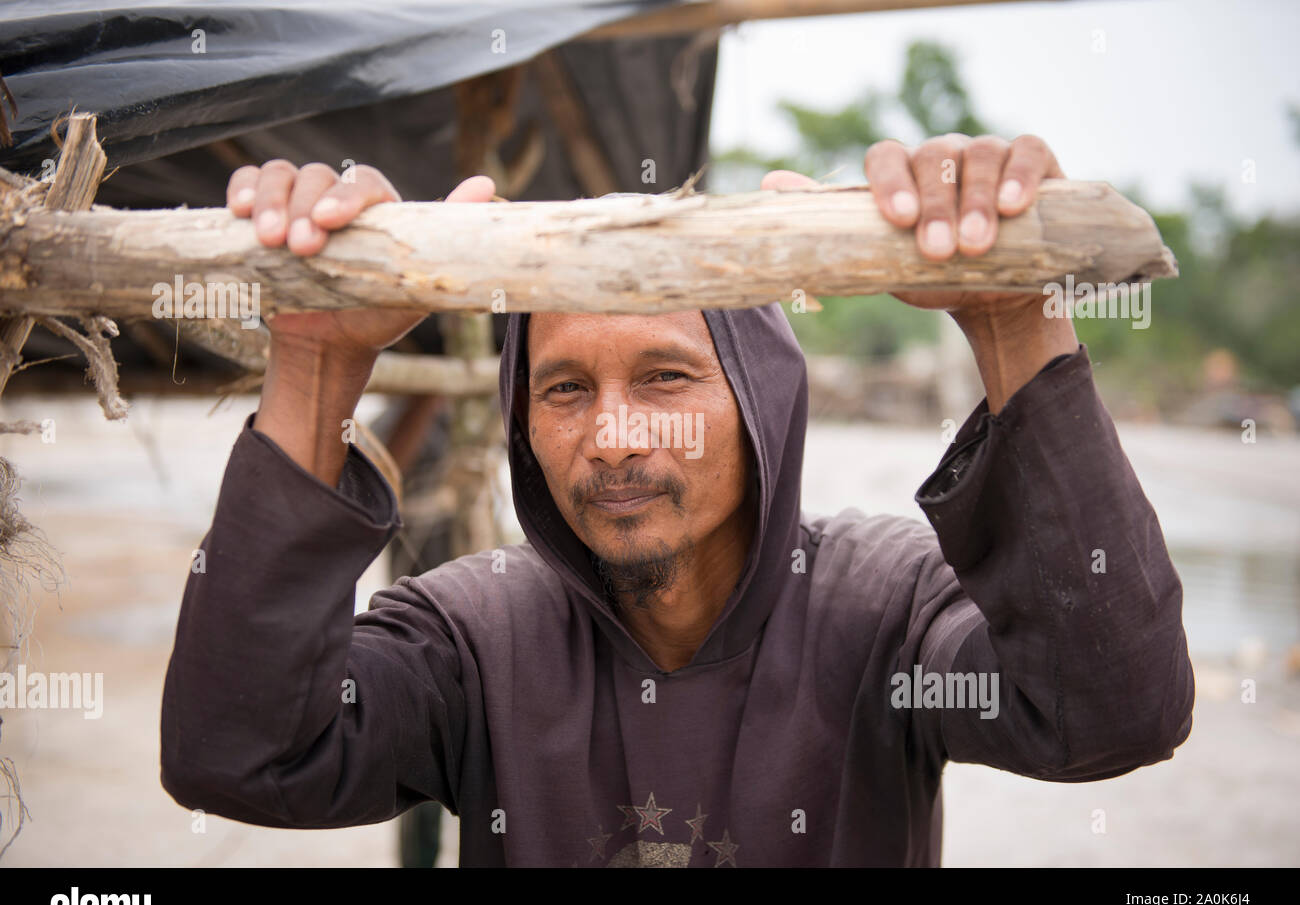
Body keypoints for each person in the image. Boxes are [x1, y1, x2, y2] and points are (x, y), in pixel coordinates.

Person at [160, 133, 1195, 866]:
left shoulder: (882, 615)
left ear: (762, 403)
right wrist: (312, 364)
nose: (614, 437)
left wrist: (1014, 325)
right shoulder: (475, 641)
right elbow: (239, 758)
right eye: (565, 389)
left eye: (664, 377)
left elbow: (1112, 714)